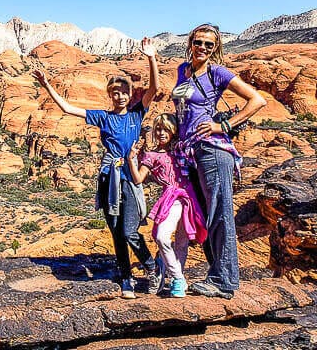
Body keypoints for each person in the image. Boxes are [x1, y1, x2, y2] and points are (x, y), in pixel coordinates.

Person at [32, 37, 160, 299]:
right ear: (110, 95)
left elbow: (154, 89)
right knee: (116, 231)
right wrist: (47, 85)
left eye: (124, 92)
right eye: (115, 92)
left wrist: (151, 57)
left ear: (129, 93)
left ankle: (151, 267)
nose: (120, 96)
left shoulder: (137, 114)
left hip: (131, 178)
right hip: (108, 178)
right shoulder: (103, 116)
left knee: (129, 230)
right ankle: (126, 278)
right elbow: (68, 108)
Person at [171, 23, 266, 299]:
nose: (202, 48)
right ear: (190, 42)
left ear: (216, 48)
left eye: (209, 45)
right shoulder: (182, 71)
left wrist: (222, 126)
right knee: (203, 214)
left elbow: (256, 100)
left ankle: (224, 281)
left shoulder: (217, 72)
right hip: (190, 152)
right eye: (198, 42)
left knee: (219, 212)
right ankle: (216, 274)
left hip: (213, 150)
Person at [127, 113, 207, 298]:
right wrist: (132, 159)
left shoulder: (182, 148)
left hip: (190, 197)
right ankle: (178, 278)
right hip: (171, 198)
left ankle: (172, 277)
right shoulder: (152, 155)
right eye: (158, 129)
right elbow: (138, 179)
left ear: (173, 131)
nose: (161, 133)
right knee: (163, 237)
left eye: (165, 129)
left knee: (182, 241)